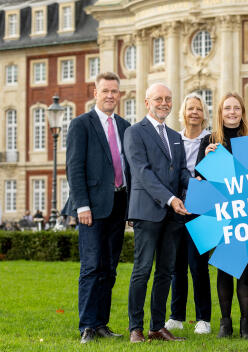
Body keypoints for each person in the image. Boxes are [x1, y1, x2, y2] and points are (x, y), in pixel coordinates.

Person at [63, 72, 131, 344]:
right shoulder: (82, 124)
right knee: (91, 266)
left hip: (119, 203)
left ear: (119, 94)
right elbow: (74, 168)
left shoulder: (126, 126)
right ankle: (87, 325)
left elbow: (129, 168)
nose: (110, 95)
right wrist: (81, 205)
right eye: (105, 91)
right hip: (91, 207)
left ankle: (101, 322)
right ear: (96, 93)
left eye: (114, 91)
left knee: (109, 268)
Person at [124, 83, 190, 343]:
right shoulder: (134, 133)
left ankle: (157, 327)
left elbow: (181, 170)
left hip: (173, 215)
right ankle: (136, 328)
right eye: (159, 99)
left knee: (165, 271)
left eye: (168, 99)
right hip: (147, 211)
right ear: (147, 102)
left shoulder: (175, 135)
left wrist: (196, 185)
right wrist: (171, 198)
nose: (164, 103)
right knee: (142, 270)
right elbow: (142, 172)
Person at [197, 92, 248, 339]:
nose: (232, 112)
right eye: (227, 108)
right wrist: (207, 159)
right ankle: (225, 322)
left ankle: (245, 323)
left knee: (244, 270)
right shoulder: (209, 141)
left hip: (247, 213)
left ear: (242, 112)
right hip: (220, 213)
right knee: (223, 269)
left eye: (236, 108)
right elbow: (199, 181)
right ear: (220, 113)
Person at [165, 93, 212, 335]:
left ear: (204, 114)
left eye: (198, 109)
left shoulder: (212, 140)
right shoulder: (174, 140)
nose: (194, 112)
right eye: (190, 108)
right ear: (183, 113)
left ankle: (204, 318)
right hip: (177, 208)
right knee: (176, 265)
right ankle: (176, 316)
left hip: (201, 210)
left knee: (198, 265)